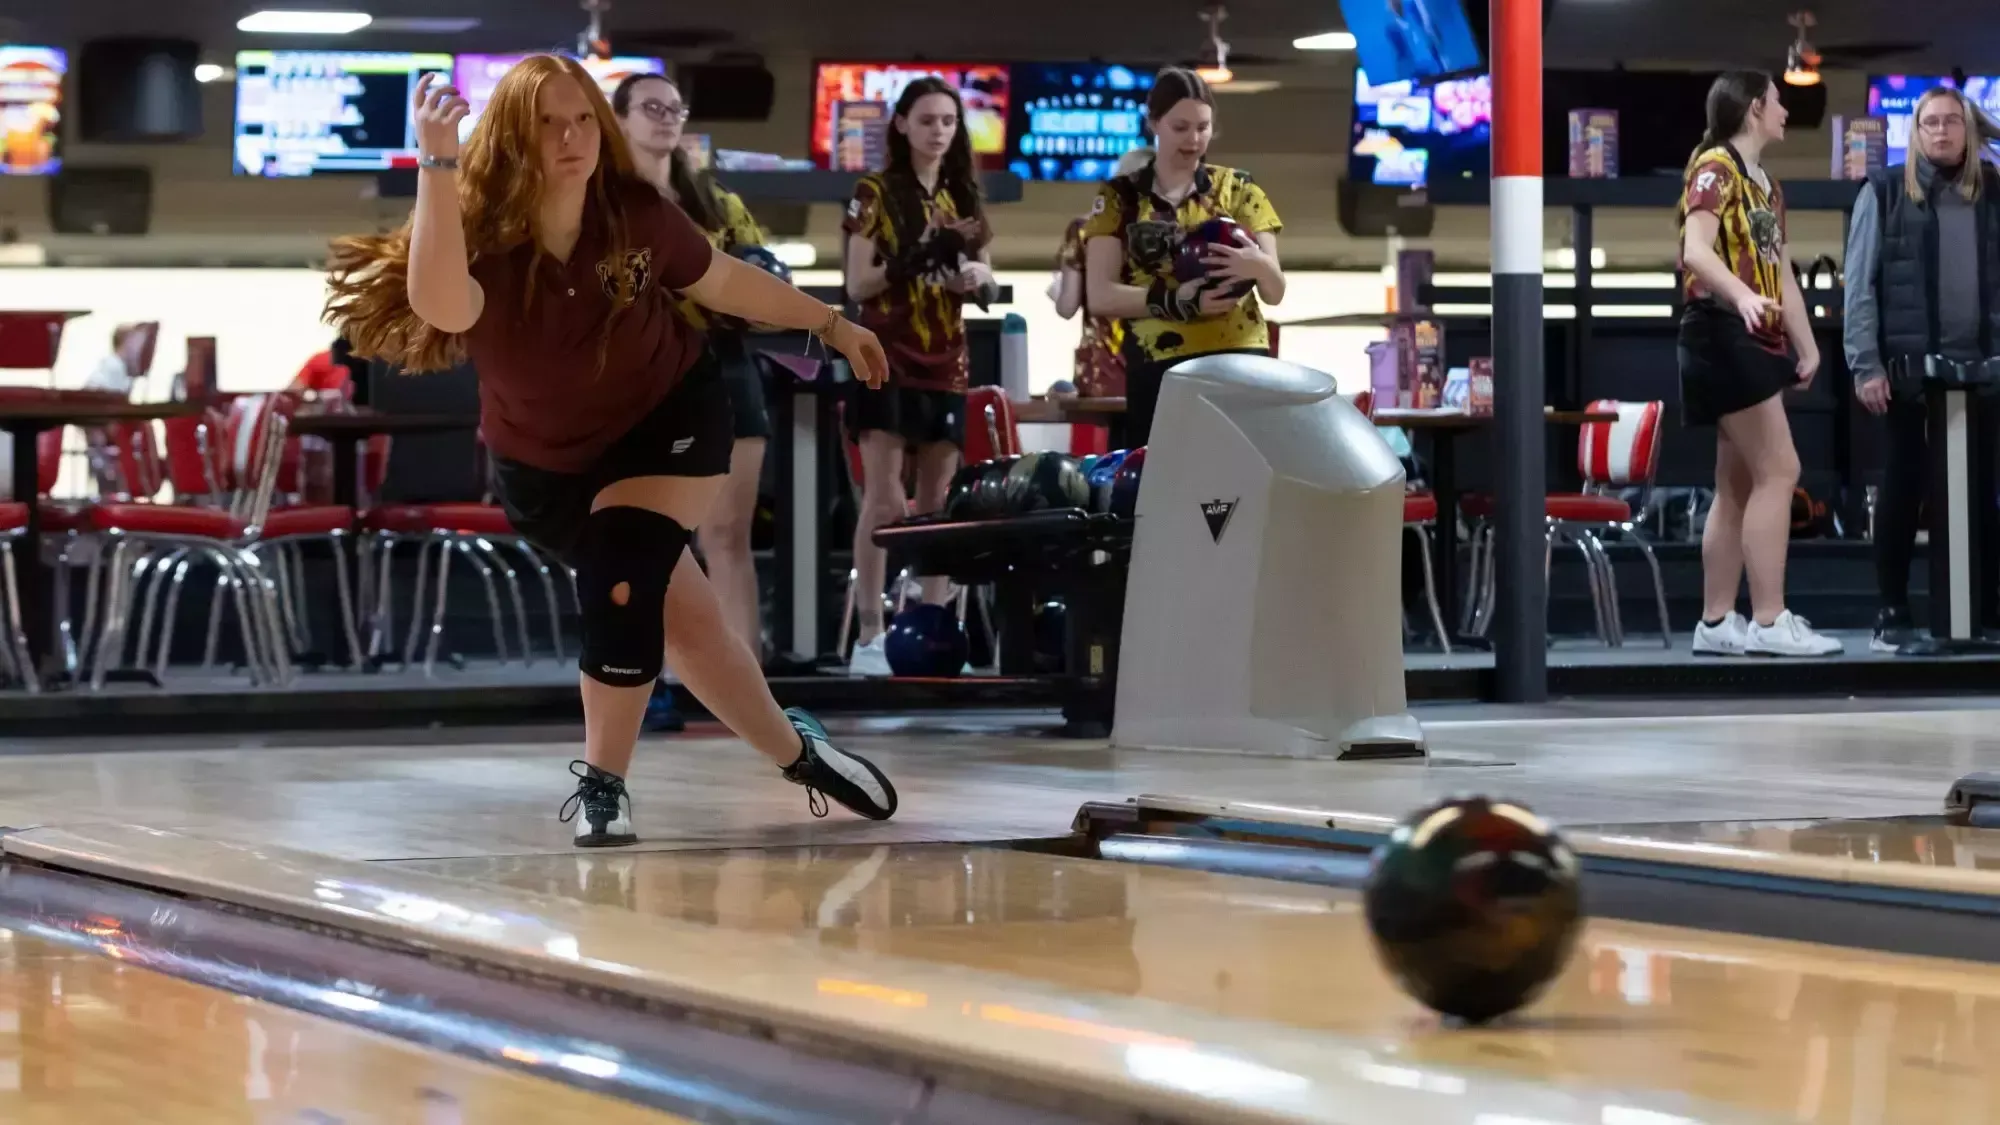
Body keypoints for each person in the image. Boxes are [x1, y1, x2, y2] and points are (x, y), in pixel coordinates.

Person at [323, 56, 900, 847]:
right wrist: (436, 162)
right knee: (690, 630)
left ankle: (604, 784)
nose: (571, 137)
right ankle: (802, 752)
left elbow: (723, 281)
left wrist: (832, 323)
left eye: (583, 120)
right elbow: (442, 305)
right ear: (514, 136)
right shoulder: (480, 232)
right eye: (548, 123)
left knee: (622, 573)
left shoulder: (635, 213)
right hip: (547, 468)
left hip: (668, 418)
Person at [611, 71, 772, 730]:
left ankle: (749, 693)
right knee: (649, 539)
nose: (665, 117)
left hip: (722, 365)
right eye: (650, 107)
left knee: (728, 534)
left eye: (674, 108)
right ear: (620, 119)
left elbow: (759, 279)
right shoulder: (605, 201)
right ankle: (645, 678)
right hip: (638, 373)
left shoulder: (716, 200)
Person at [1677, 70, 1840, 657]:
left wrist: (1808, 345)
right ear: (1752, 109)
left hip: (1753, 336)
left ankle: (1716, 622)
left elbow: (1783, 273)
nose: (1785, 112)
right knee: (1780, 469)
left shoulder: (1767, 184)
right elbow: (1695, 251)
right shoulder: (1715, 167)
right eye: (1777, 101)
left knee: (1738, 483)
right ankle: (1770, 622)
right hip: (1720, 331)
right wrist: (1741, 295)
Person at [840, 76, 994, 677]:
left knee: (938, 501)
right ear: (902, 125)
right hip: (885, 355)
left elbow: (985, 277)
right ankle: (870, 635)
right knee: (884, 498)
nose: (939, 131)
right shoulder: (875, 192)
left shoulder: (964, 197)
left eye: (949, 121)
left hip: (946, 358)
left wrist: (975, 278)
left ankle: (934, 627)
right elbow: (858, 285)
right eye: (927, 120)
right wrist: (913, 259)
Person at [1845, 86, 2000, 651]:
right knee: (1903, 488)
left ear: (1969, 129)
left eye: (1951, 121)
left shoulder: (1994, 192)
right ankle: (1893, 614)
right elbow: (1859, 287)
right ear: (1914, 132)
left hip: (1985, 372)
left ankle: (1985, 614)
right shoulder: (1884, 191)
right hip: (1909, 375)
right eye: (1929, 122)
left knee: (1984, 495)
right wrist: (1865, 365)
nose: (1940, 131)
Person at [1081, 67, 1286, 447]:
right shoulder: (1119, 197)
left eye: (1203, 127)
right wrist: (1178, 301)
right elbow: (1100, 295)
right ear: (1154, 124)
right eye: (1180, 127)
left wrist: (1257, 265)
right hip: (1160, 363)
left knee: (1239, 476)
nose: (1193, 139)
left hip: (1241, 359)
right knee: (1166, 476)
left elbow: (1275, 292)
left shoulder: (1239, 188)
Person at [1053, 147, 1154, 399]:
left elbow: (1066, 307)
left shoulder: (1084, 230)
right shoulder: (1171, 234)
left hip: (1101, 371)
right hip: (1155, 364)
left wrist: (1058, 289)